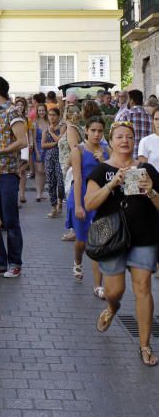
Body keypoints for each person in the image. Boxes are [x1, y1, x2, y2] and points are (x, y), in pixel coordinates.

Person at [85, 121, 159, 365]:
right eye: (119, 136)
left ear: (134, 140)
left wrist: (151, 191)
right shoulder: (101, 170)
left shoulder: (146, 169)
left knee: (143, 289)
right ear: (111, 140)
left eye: (129, 136)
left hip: (144, 237)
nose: (125, 140)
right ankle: (112, 307)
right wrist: (112, 184)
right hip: (112, 240)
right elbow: (89, 204)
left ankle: (144, 346)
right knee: (115, 291)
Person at [0, 76, 27, 278]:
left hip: (8, 174)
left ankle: (15, 262)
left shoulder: (11, 111)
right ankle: (1, 261)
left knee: (10, 220)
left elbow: (23, 141)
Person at [65, 117, 109, 294]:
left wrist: (103, 161)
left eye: (100, 131)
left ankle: (98, 285)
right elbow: (78, 179)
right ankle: (77, 261)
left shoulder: (107, 151)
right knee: (82, 242)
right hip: (81, 197)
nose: (97, 134)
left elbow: (111, 174)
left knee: (98, 243)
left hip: (100, 199)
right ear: (86, 131)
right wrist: (78, 206)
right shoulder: (79, 151)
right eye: (93, 131)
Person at [58, 104, 84, 241]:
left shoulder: (71, 129)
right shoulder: (77, 127)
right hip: (72, 166)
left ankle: (75, 230)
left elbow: (74, 148)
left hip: (70, 168)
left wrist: (67, 166)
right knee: (72, 198)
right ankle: (75, 229)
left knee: (72, 199)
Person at [42, 108, 66, 217]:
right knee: (51, 183)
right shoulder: (45, 129)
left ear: (58, 116)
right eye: (50, 115)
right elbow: (43, 145)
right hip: (49, 158)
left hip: (60, 157)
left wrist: (51, 132)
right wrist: (54, 143)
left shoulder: (62, 127)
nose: (51, 117)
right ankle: (53, 207)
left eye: (54, 115)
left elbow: (60, 141)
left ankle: (60, 200)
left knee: (61, 183)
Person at [124, 89, 153, 158]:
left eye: (128, 99)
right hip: (147, 157)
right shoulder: (151, 116)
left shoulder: (126, 115)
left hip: (130, 158)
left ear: (132, 100)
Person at [15, 97, 32, 204]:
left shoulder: (26, 119)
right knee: (16, 171)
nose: (20, 107)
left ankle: (22, 194)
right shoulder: (12, 117)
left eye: (22, 105)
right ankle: (15, 194)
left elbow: (29, 132)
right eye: (18, 105)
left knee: (22, 171)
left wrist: (31, 143)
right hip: (15, 145)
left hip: (25, 145)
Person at [33, 103, 48, 201]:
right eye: (39, 110)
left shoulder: (49, 122)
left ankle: (42, 192)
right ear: (37, 112)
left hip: (47, 147)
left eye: (43, 110)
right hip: (38, 146)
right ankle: (38, 193)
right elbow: (34, 139)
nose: (41, 112)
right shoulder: (35, 123)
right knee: (39, 171)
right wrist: (37, 151)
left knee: (45, 171)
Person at [139, 106, 159, 171]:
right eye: (156, 119)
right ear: (153, 121)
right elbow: (143, 170)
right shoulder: (145, 141)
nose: (158, 122)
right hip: (153, 180)